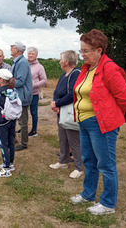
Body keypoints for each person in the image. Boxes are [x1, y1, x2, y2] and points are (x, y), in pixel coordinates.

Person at [70, 29, 126, 215]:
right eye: (81, 51)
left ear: (99, 50)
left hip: (101, 124)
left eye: (86, 51)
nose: (83, 55)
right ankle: (88, 194)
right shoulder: (86, 69)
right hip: (84, 122)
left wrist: (109, 115)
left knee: (106, 165)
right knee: (89, 160)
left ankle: (108, 204)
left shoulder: (110, 68)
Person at [49, 50, 84, 179]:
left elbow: (72, 94)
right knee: (63, 137)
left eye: (60, 59)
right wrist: (55, 104)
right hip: (61, 112)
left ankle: (79, 168)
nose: (59, 62)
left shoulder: (76, 74)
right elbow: (57, 90)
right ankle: (63, 161)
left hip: (69, 112)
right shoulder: (64, 74)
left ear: (66, 62)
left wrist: (57, 103)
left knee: (73, 140)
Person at [0, 69, 18, 177]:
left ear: (1, 80)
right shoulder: (13, 90)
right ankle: (10, 163)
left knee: (3, 144)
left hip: (1, 121)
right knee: (11, 141)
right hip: (12, 119)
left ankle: (6, 169)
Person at [10, 41, 33, 151]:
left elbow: (20, 81)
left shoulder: (22, 62)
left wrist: (7, 82)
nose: (10, 48)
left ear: (17, 50)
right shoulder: (17, 61)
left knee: (23, 122)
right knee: (14, 118)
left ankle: (24, 143)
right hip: (17, 95)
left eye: (12, 47)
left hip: (22, 96)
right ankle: (15, 139)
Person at [27, 47, 47, 137]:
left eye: (33, 54)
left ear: (36, 55)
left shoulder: (39, 67)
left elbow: (44, 80)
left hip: (34, 93)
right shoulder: (24, 64)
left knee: (33, 112)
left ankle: (34, 130)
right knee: (22, 112)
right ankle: (23, 128)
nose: (30, 55)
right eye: (29, 53)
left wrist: (34, 85)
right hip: (24, 93)